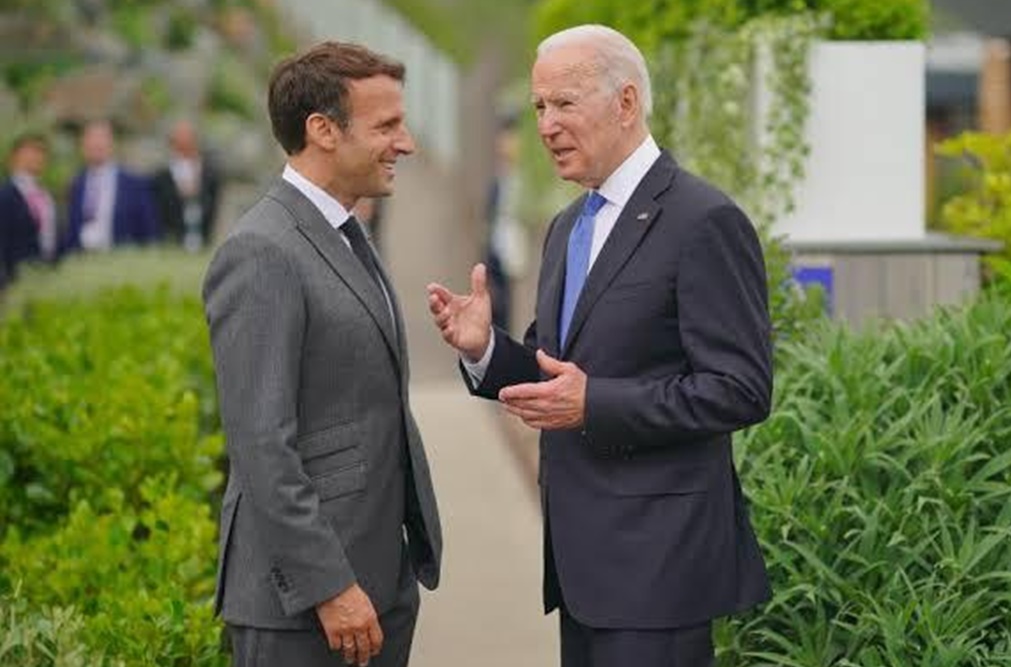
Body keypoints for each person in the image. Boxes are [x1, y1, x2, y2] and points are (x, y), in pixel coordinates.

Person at [427, 24, 772, 667]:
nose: (547, 124)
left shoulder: (704, 221)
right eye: (538, 107)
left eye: (565, 103)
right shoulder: (566, 227)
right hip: (581, 570)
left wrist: (596, 404)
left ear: (626, 102)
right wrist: (484, 350)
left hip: (660, 570)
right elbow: (553, 374)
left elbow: (741, 389)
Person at [202, 41, 442, 667]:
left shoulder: (345, 230)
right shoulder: (262, 251)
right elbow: (261, 444)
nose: (407, 143)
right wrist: (329, 587)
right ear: (323, 131)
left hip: (377, 584)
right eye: (387, 125)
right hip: (306, 607)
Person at [63, 119, 160, 253]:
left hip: (122, 263)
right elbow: (71, 232)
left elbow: (150, 233)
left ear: (112, 143)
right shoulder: (76, 184)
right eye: (91, 138)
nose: (96, 143)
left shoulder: (135, 185)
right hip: (84, 264)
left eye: (102, 138)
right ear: (82, 145)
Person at [483, 114, 526, 332]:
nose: (505, 145)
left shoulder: (522, 179)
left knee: (507, 310)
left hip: (512, 252)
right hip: (496, 251)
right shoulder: (499, 177)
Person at [153, 118, 223, 251]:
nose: (184, 142)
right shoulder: (162, 176)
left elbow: (214, 205)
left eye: (188, 137)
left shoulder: (210, 173)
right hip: (173, 241)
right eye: (180, 137)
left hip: (203, 238)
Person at [0, 133, 55, 288]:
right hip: (13, 283)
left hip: (46, 280)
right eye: (30, 151)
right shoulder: (5, 196)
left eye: (41, 151)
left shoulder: (47, 197)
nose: (36, 157)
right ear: (13, 157)